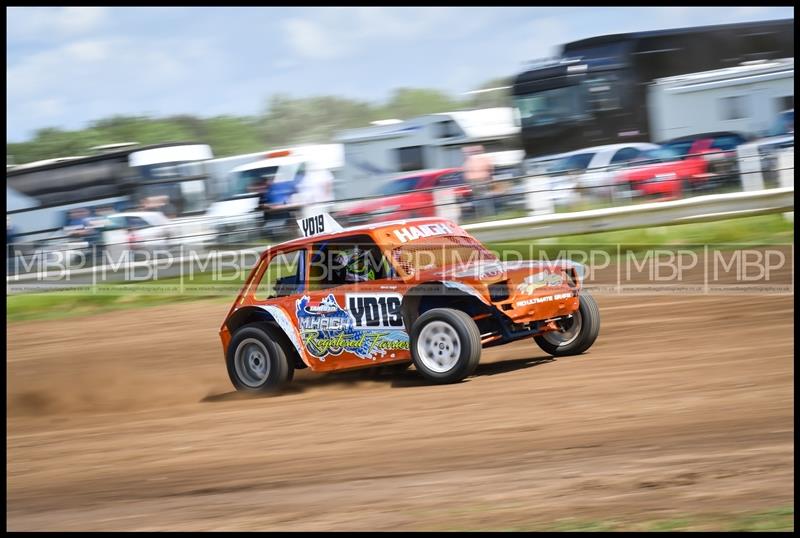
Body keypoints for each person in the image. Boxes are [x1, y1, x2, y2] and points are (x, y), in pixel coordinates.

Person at [462, 145, 495, 220]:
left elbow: (466, 172)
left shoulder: (469, 160)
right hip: (480, 180)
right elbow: (490, 169)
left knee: (480, 198)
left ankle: (482, 214)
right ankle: (486, 214)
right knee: (483, 198)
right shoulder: (481, 159)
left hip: (478, 180)